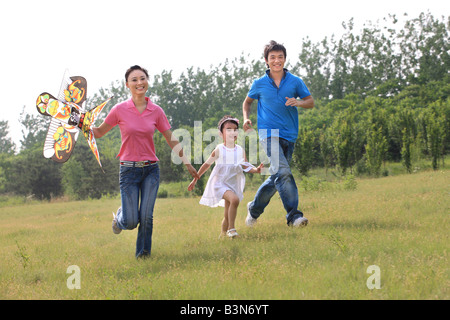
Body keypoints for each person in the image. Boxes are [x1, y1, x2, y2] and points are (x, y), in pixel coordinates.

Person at [93, 65, 198, 259]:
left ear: (147, 82)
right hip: (128, 170)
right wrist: (82, 125)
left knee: (146, 217)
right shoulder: (119, 110)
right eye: (134, 80)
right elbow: (98, 132)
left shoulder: (156, 111)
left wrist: (187, 163)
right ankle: (120, 218)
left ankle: (143, 256)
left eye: (142, 78)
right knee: (132, 221)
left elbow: (170, 138)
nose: (139, 83)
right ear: (127, 85)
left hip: (150, 170)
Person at [242, 40, 314, 228]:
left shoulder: (295, 81)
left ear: (284, 59)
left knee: (277, 177)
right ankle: (294, 217)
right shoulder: (259, 84)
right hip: (268, 134)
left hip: (290, 134)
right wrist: (246, 118)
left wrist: (298, 102)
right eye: (272, 57)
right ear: (266, 60)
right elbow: (247, 102)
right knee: (283, 172)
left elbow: (310, 102)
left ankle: (254, 209)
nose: (276, 60)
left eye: (280, 57)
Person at [188, 115, 263, 238]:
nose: (232, 132)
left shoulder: (240, 150)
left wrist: (256, 170)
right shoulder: (219, 149)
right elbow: (207, 165)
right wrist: (195, 179)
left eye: (235, 129)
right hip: (220, 184)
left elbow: (246, 166)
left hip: (233, 184)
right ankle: (232, 230)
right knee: (234, 200)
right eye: (228, 129)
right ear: (221, 133)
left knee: (228, 214)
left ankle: (222, 235)